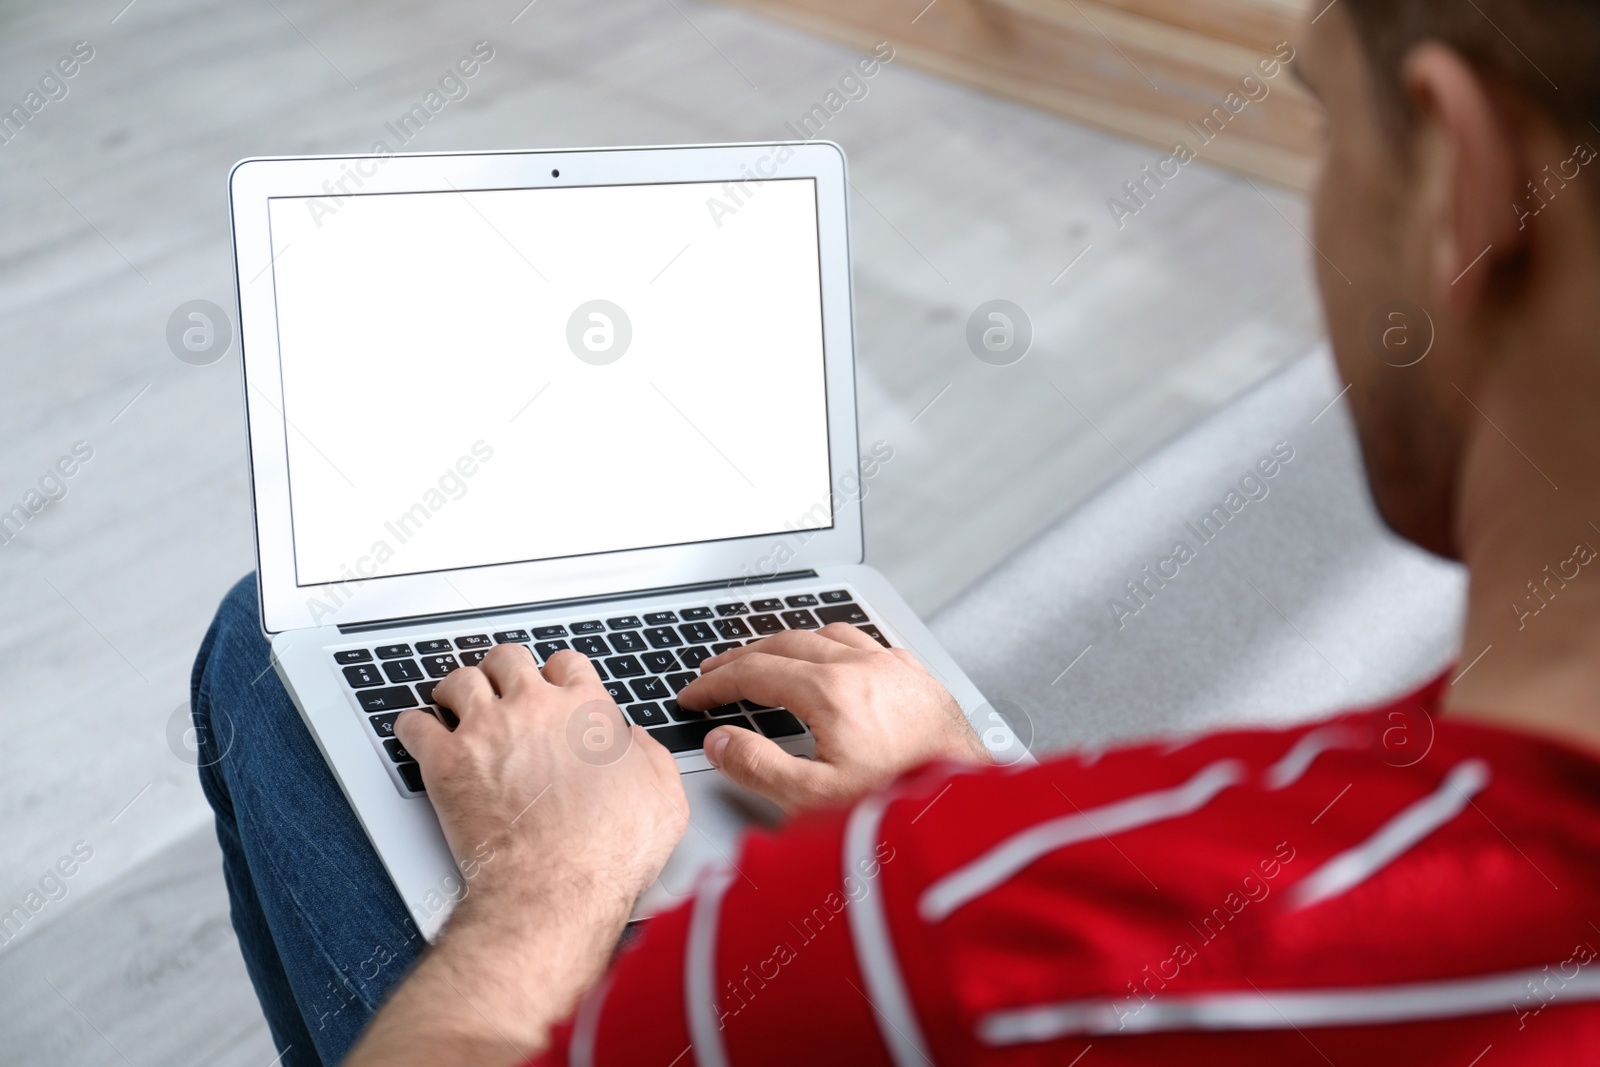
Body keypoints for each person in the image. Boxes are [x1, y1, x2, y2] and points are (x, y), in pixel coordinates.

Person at [191, 1, 1600, 1063]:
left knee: (263, 637)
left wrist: (543, 890)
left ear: (1462, 181)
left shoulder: (928, 936)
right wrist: (968, 792)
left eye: (1325, 123)